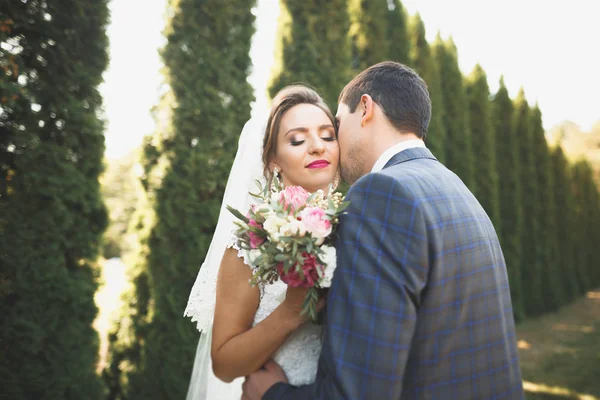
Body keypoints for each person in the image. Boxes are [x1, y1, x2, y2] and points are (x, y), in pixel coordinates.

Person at [242, 61, 524, 399]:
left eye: (336, 125)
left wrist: (271, 393)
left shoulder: (380, 194)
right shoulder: (459, 190)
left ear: (365, 109)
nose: (333, 144)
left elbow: (358, 392)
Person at [184, 85, 340, 399]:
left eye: (327, 135)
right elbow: (224, 365)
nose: (317, 147)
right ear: (272, 162)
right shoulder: (250, 244)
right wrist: (288, 314)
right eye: (297, 139)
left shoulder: (354, 228)